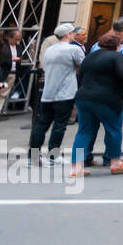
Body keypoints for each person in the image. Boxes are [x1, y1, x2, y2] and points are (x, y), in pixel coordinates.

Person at [70, 32, 123, 177]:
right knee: (113, 129)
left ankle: (76, 167)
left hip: (84, 97)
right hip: (107, 99)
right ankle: (115, 162)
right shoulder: (117, 56)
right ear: (117, 45)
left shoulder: (90, 56)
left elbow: (81, 75)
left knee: (83, 131)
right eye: (121, 44)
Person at [29, 23, 82, 163]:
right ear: (67, 35)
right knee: (59, 125)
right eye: (72, 33)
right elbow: (82, 66)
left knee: (42, 124)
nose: (74, 35)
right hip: (65, 93)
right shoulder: (73, 49)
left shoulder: (50, 50)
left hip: (48, 92)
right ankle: (53, 155)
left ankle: (33, 156)